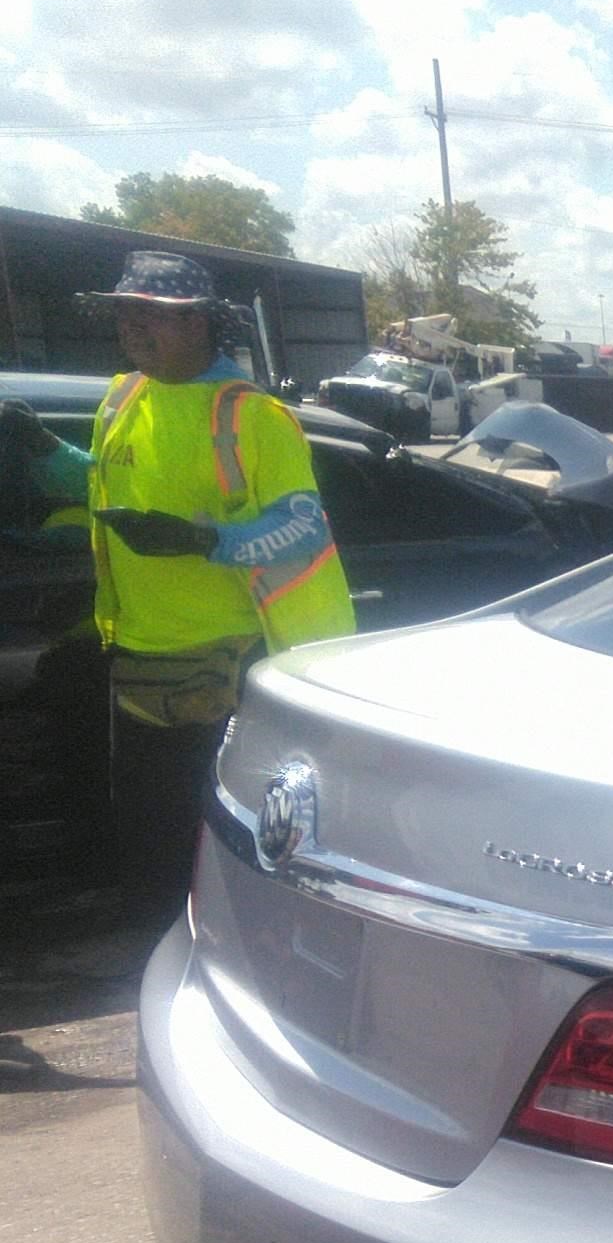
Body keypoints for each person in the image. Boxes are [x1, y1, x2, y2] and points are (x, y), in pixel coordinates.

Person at [0, 250, 355, 902]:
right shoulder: (124, 396)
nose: (133, 331)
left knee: (207, 849)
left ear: (197, 324)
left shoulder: (251, 417)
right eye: (125, 317)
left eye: (150, 317)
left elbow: (301, 527)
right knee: (150, 842)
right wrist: (47, 456)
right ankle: (161, 946)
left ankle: (200, 953)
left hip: (222, 669)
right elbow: (109, 480)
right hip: (137, 660)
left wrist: (206, 541)